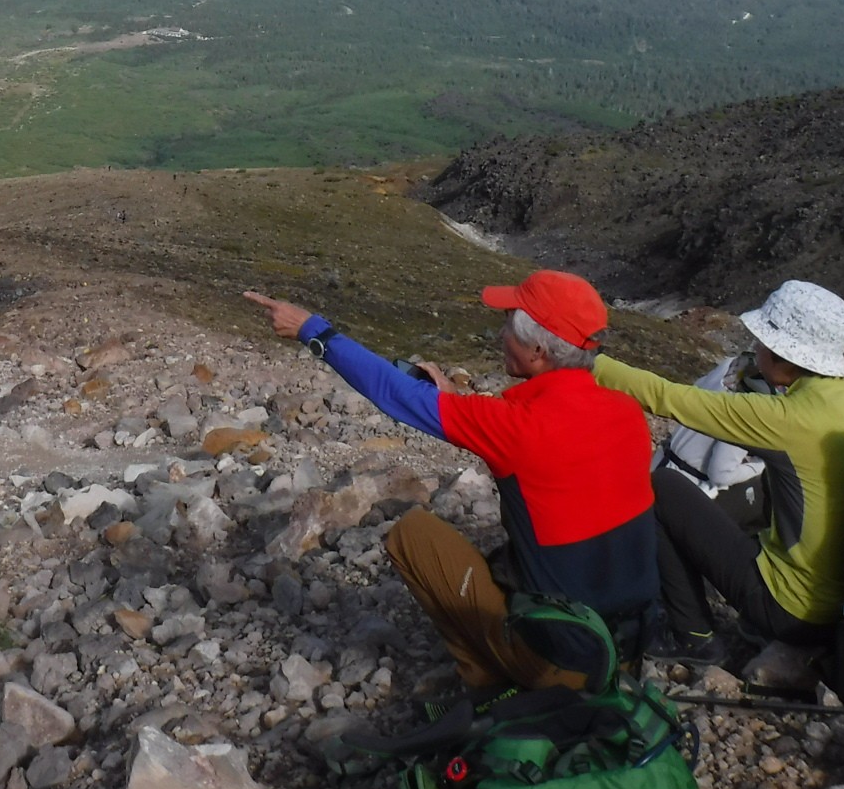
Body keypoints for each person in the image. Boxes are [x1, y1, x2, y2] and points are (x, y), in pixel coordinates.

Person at [246, 270, 657, 697]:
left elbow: (395, 393)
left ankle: (488, 682)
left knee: (413, 533)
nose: (501, 334)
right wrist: (449, 401)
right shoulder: (626, 412)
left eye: (509, 325)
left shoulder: (518, 428)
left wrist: (313, 330)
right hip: (625, 647)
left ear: (537, 350)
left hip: (562, 663)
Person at [592, 280, 844, 666]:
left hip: (791, 611)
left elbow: (666, 397)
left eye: (762, 340)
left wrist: (584, 360)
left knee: (662, 487)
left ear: (782, 354)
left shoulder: (786, 419)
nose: (757, 347)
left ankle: (693, 636)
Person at [653, 354, 773, 534]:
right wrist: (758, 466)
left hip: (659, 462)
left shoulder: (731, 364)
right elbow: (720, 474)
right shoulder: (752, 407)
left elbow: (691, 397)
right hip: (683, 488)